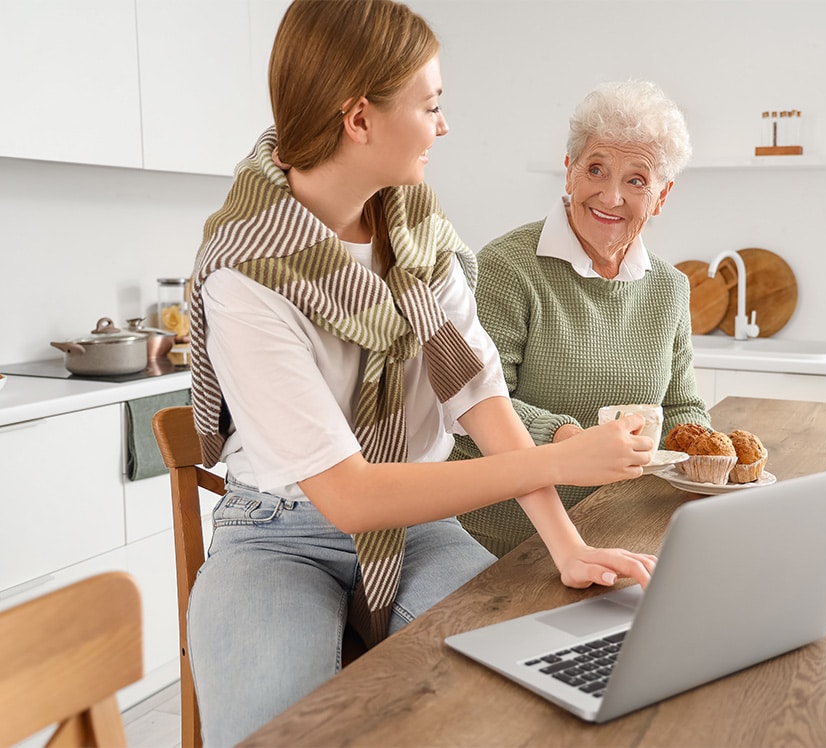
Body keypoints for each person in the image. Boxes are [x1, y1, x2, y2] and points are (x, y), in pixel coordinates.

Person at [185, 3, 656, 745]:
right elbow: (349, 496)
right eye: (431, 105)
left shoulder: (417, 230)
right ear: (358, 119)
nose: (444, 126)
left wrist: (566, 545)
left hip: (421, 529)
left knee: (525, 698)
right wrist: (561, 461)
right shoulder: (246, 275)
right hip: (277, 534)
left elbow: (477, 391)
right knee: (273, 733)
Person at [452, 80, 712, 557]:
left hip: (620, 528)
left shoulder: (670, 287)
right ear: (569, 172)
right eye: (596, 169)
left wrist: (712, 455)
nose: (611, 197)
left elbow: (681, 407)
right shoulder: (507, 268)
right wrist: (570, 442)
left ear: (662, 195)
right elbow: (473, 408)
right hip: (499, 542)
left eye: (637, 180)